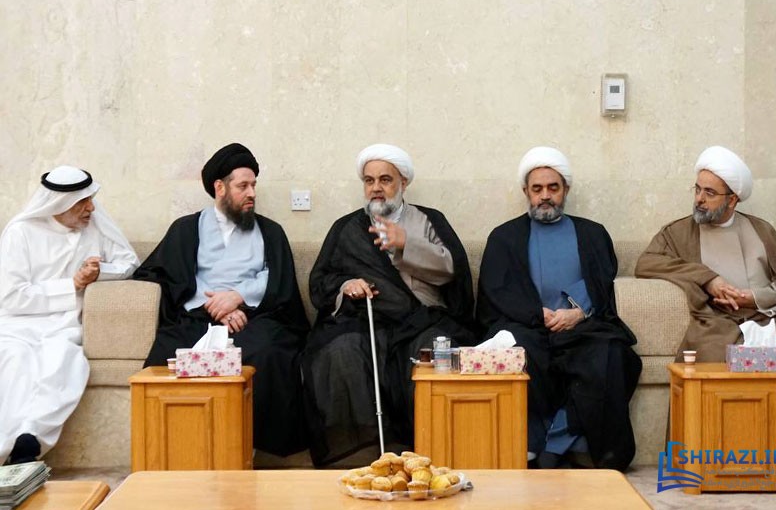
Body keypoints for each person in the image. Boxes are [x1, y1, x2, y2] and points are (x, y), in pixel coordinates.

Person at [302, 143, 477, 467]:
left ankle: (430, 447)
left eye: (385, 179)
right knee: (338, 350)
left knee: (432, 351)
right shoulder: (347, 227)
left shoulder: (428, 220)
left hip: (422, 318)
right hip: (365, 318)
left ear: (403, 182)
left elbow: (452, 271)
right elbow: (321, 280)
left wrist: (407, 244)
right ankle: (359, 453)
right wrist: (346, 285)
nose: (376, 188)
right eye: (369, 181)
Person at [135, 143, 309, 456]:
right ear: (220, 187)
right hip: (198, 316)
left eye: (253, 185)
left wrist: (238, 296)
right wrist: (216, 307)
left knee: (269, 352)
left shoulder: (270, 231)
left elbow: (277, 279)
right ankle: (174, 448)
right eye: (243, 186)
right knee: (167, 353)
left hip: (255, 316)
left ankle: (248, 446)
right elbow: (168, 276)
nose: (251, 193)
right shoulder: (186, 229)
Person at [476, 147, 642, 471]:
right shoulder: (504, 237)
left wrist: (577, 311)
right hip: (528, 326)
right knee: (519, 352)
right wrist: (536, 313)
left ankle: (555, 444)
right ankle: (541, 446)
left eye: (553, 187)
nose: (545, 196)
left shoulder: (592, 233)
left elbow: (602, 280)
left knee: (612, 354)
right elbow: (496, 290)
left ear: (565, 189)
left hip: (581, 327)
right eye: (537, 189)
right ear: (526, 192)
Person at [0, 166, 139, 465]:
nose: (91, 208)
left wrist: (101, 272)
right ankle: (5, 448)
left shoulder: (94, 226)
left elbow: (129, 263)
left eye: (90, 199)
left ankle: (29, 442)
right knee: (16, 362)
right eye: (82, 202)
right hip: (17, 325)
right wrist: (72, 284)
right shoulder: (20, 233)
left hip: (65, 325)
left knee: (64, 363)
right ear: (58, 204)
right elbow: (11, 296)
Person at [635, 145, 776, 361]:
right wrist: (708, 279)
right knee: (711, 349)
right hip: (718, 324)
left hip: (770, 319)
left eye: (709, 193)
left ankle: (767, 378)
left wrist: (754, 298)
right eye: (697, 189)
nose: (699, 199)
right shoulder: (678, 232)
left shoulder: (762, 230)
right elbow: (646, 263)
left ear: (732, 200)